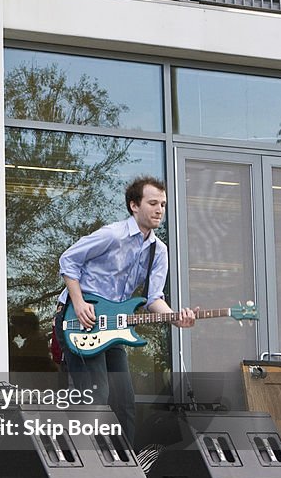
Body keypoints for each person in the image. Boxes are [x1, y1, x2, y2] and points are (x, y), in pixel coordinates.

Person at [53, 175, 195, 444]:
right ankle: (86, 463)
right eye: (153, 203)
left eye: (163, 204)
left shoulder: (158, 251)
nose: (159, 210)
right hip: (78, 318)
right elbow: (68, 260)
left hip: (112, 326)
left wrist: (175, 318)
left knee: (124, 401)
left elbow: (154, 298)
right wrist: (80, 302)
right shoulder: (112, 235)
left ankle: (125, 470)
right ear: (134, 205)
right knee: (96, 396)